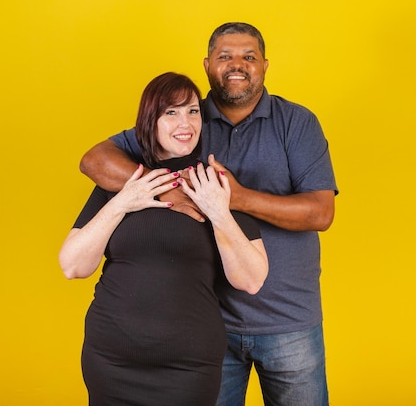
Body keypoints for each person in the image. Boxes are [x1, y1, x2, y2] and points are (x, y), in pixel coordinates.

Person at [79, 23, 338, 406]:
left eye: (249, 56)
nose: (237, 65)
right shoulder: (186, 120)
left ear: (265, 65)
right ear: (207, 65)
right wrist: (174, 190)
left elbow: (320, 212)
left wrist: (235, 197)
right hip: (205, 323)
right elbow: (96, 160)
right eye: (225, 56)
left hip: (288, 320)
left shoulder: (297, 123)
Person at [59, 72, 268, 406]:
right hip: (112, 359)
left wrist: (219, 212)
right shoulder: (125, 179)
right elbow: (73, 266)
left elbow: (252, 279)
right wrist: (123, 203)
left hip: (188, 365)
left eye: (192, 111)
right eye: (170, 112)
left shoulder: (213, 182)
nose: (184, 122)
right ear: (149, 121)